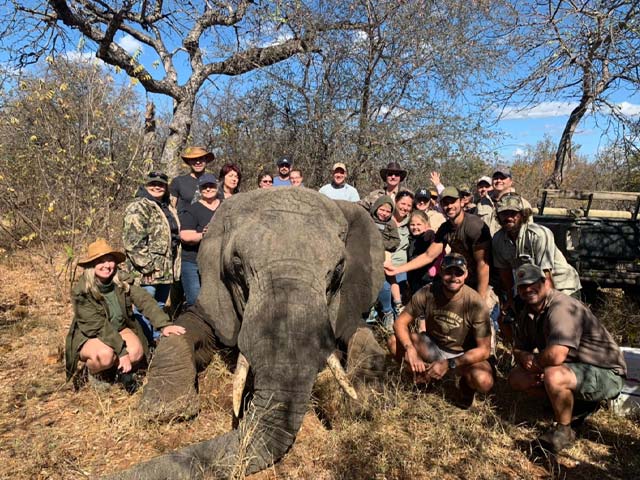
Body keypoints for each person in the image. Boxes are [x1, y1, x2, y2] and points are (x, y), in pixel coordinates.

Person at [508, 264, 626, 452]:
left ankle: (564, 431)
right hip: (572, 368)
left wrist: (535, 363)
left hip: (605, 372)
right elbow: (518, 348)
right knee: (517, 377)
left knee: (553, 375)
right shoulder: (527, 311)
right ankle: (574, 406)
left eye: (532, 283)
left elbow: (556, 355)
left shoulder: (561, 306)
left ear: (546, 282)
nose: (527, 289)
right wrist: (523, 356)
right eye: (522, 286)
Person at [65, 238, 185, 389]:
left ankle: (117, 372)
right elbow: (98, 327)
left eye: (110, 260)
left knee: (136, 352)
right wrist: (121, 352)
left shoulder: (122, 280)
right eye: (100, 261)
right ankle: (96, 373)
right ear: (91, 265)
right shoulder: (81, 292)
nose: (107, 265)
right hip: (92, 335)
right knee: (104, 355)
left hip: (119, 328)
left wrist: (164, 325)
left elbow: (144, 300)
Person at [389, 254, 494, 407]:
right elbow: (400, 323)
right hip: (434, 346)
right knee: (393, 342)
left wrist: (449, 363)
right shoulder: (428, 292)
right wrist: (410, 349)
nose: (453, 277)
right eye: (448, 272)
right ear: (440, 272)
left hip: (462, 353)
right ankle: (424, 377)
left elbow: (484, 350)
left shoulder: (475, 303)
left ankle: (466, 386)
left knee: (484, 381)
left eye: (458, 273)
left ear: (466, 274)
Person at [386, 187, 492, 300]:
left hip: (487, 282)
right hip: (462, 279)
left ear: (461, 202)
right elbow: (428, 255)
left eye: (453, 201)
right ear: (441, 205)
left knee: (481, 313)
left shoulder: (474, 225)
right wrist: (397, 270)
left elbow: (483, 264)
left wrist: (481, 299)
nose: (449, 206)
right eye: (445, 203)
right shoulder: (445, 228)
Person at [492, 194, 581, 319]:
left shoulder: (538, 234)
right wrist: (511, 300)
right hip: (531, 286)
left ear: (522, 214)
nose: (508, 217)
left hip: (561, 285)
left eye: (513, 213)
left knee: (560, 324)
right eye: (504, 214)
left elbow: (546, 274)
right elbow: (505, 273)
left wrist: (546, 308)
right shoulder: (498, 239)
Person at [123, 171, 181, 344]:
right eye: (153, 184)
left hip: (165, 269)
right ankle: (143, 344)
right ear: (145, 186)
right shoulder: (139, 206)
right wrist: (147, 267)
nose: (157, 187)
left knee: (159, 306)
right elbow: (132, 243)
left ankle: (155, 340)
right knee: (144, 308)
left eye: (161, 184)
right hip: (147, 271)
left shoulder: (166, 206)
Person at [179, 173, 221, 306]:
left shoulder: (226, 207)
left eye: (211, 186)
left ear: (217, 186)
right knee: (195, 300)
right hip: (193, 261)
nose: (208, 189)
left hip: (218, 261)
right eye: (205, 187)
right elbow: (185, 235)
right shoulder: (192, 209)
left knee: (217, 300)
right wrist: (204, 235)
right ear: (200, 189)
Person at [369, 195, 400, 328]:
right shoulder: (368, 220)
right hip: (367, 252)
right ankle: (369, 309)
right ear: (376, 208)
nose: (384, 213)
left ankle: (388, 312)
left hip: (385, 253)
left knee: (383, 279)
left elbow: (396, 241)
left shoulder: (391, 223)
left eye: (388, 211)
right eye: (382, 210)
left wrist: (381, 244)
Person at [406, 210, 442, 295]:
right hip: (414, 278)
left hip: (426, 278)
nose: (415, 227)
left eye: (419, 224)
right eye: (412, 224)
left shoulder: (427, 235)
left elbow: (431, 238)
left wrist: (430, 232)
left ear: (426, 225)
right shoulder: (412, 238)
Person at [170, 146, 215, 213]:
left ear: (206, 161)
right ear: (189, 161)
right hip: (184, 222)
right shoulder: (178, 181)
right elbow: (171, 208)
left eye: (201, 159)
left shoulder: (214, 183)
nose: (198, 162)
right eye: (194, 159)